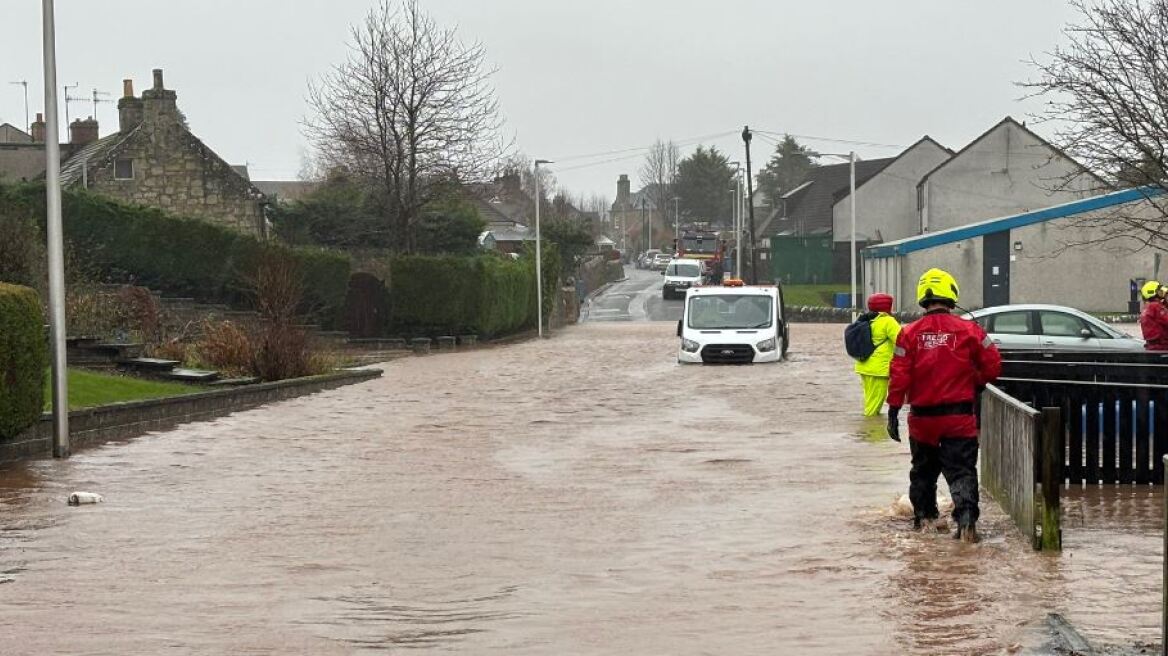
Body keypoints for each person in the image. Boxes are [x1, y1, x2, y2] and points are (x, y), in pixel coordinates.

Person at [887, 268, 1002, 543]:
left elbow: (899, 376)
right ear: (951, 294)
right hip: (958, 418)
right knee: (962, 471)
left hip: (922, 420)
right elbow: (994, 366)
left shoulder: (908, 334)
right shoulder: (970, 330)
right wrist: (975, 381)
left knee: (923, 473)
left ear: (922, 297)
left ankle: (925, 522)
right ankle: (966, 524)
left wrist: (892, 411)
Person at [855, 293, 901, 417]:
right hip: (878, 370)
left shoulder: (866, 319)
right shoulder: (888, 321)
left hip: (864, 367)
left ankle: (867, 432)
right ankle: (872, 432)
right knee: (874, 406)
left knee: (870, 401)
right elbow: (902, 340)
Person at [1139, 280, 1168, 351]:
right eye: (1159, 291)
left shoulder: (1147, 307)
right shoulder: (1156, 307)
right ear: (1152, 293)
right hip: (1163, 347)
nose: (1162, 293)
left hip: (1153, 347)